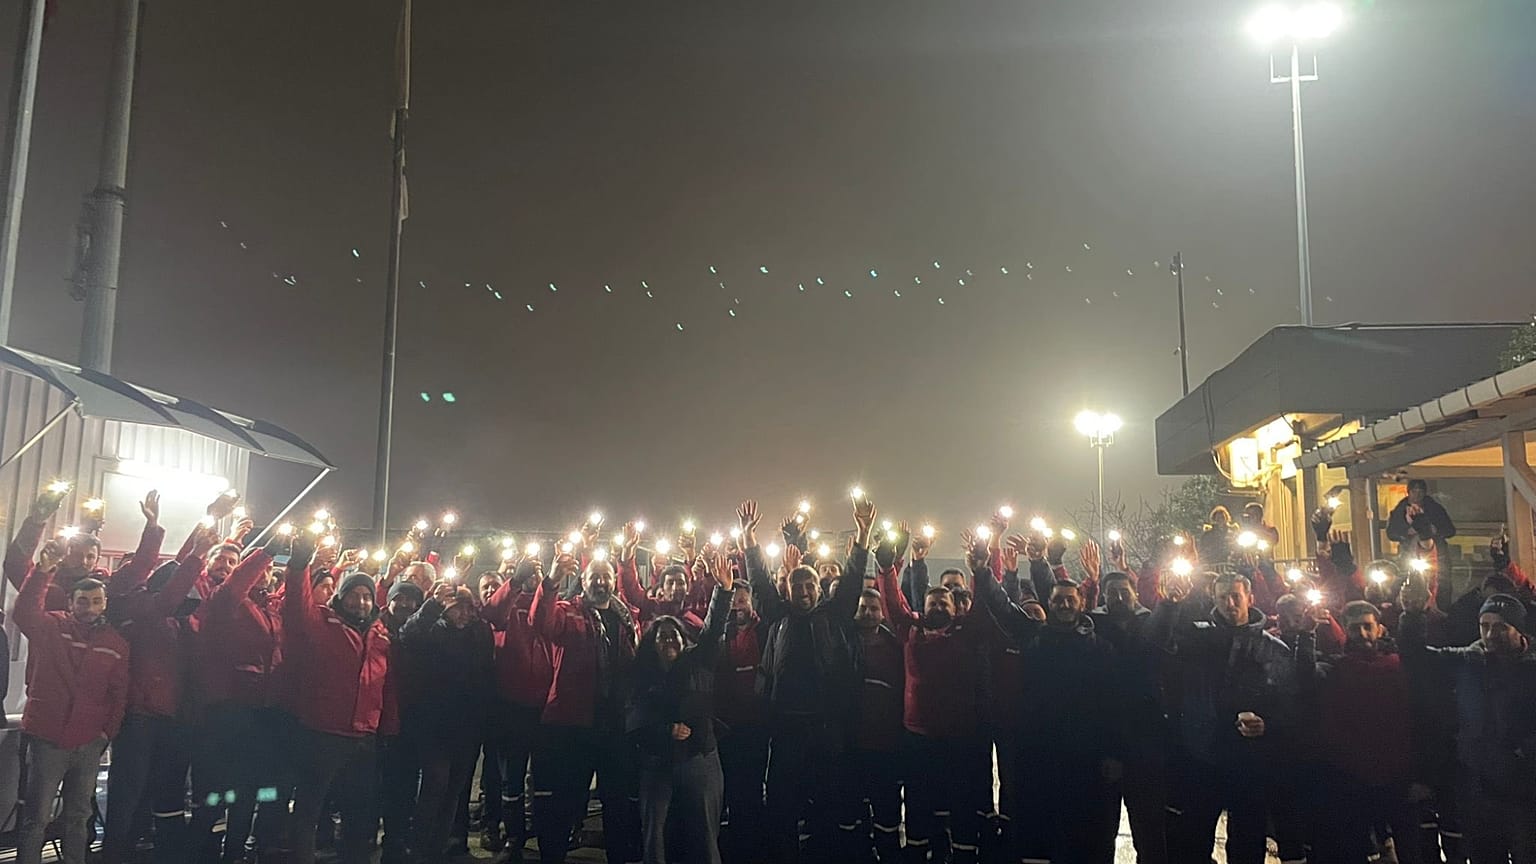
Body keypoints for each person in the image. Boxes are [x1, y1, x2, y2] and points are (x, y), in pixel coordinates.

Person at [971, 533, 1120, 864]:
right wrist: (983, 571)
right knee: (1038, 825)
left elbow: (1112, 706)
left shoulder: (1100, 647)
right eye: (1058, 600)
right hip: (1038, 749)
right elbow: (1001, 605)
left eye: (1070, 600)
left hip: (1085, 753)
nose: (1064, 604)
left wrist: (1111, 752)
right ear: (1049, 605)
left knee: (1082, 827)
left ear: (1081, 604)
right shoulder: (1033, 637)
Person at [743, 497, 867, 864]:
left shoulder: (835, 615)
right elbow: (760, 582)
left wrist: (863, 534)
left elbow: (854, 578)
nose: (804, 592)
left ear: (818, 589)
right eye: (797, 587)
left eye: (810, 586)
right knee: (781, 804)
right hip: (785, 728)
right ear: (789, 591)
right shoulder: (777, 616)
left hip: (825, 728)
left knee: (827, 802)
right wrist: (749, 540)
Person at [1149, 570, 1299, 864]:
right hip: (1201, 754)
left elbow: (1290, 703)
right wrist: (1169, 605)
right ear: (1213, 600)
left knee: (1248, 840)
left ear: (1249, 598)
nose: (1230, 603)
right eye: (1222, 597)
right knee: (1192, 840)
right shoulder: (1195, 638)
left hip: (1250, 761)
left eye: (1236, 596)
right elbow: (1156, 645)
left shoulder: (1272, 648)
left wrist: (1267, 723)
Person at [12, 542, 129, 864]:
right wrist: (43, 571)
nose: (89, 606)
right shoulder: (51, 626)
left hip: (89, 742)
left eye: (96, 601)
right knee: (37, 816)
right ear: (71, 601)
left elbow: (118, 693)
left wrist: (106, 733)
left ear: (105, 603)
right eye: (83, 600)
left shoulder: (115, 643)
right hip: (48, 739)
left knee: (79, 816)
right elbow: (23, 612)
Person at [875, 524, 985, 864]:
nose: (938, 606)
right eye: (932, 602)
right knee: (919, 799)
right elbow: (894, 602)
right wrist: (887, 567)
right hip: (918, 735)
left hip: (960, 735)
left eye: (944, 602)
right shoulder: (912, 631)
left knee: (962, 800)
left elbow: (985, 604)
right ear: (923, 607)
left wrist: (981, 567)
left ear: (955, 608)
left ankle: (964, 852)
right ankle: (919, 850)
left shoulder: (967, 633)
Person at [1400, 593, 1536, 862]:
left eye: (1500, 626)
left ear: (1518, 629)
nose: (1490, 634)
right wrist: (1414, 616)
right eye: (1484, 626)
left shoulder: (1531, 668)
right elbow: (1417, 658)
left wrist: (1523, 752)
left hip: (1524, 791)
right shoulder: (1469, 661)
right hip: (1477, 788)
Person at [282, 535, 393, 864]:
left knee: (359, 811)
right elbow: (295, 605)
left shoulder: (380, 635)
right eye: (354, 596)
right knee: (310, 808)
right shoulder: (321, 623)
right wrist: (301, 564)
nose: (361, 602)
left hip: (363, 737)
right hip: (324, 733)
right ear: (341, 599)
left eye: (366, 597)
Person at [529, 544, 642, 864]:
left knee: (616, 800)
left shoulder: (628, 618)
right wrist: (551, 580)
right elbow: (541, 621)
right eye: (595, 577)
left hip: (615, 725)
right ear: (584, 579)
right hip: (573, 723)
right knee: (566, 798)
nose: (601, 583)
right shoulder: (567, 611)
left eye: (606, 577)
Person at [628, 549, 734, 864]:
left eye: (675, 635)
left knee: (704, 833)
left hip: (700, 759)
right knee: (656, 835)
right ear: (652, 642)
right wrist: (665, 731)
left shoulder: (698, 663)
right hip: (657, 764)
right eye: (662, 637)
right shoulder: (641, 674)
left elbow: (714, 630)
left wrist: (723, 591)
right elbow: (634, 716)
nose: (670, 641)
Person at [1302, 601, 1421, 864]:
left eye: (1368, 627)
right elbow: (1306, 676)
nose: (1363, 634)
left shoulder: (1398, 666)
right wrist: (1306, 634)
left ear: (1379, 629)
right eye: (1355, 629)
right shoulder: (1334, 668)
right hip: (1351, 776)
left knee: (1411, 848)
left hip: (1397, 775)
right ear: (1345, 631)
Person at [400, 581, 495, 863]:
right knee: (435, 785)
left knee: (454, 789)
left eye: (468, 608)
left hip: (467, 725)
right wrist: (433, 604)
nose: (463, 614)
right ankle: (419, 848)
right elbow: (409, 635)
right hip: (435, 723)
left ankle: (437, 849)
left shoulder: (480, 632)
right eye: (457, 608)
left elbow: (486, 673)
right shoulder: (433, 630)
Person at [1087, 565, 1169, 864]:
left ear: (1136, 594)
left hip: (1146, 746)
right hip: (1104, 744)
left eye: (1125, 592)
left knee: (1149, 831)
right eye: (1112, 594)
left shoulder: (1152, 624)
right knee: (1100, 831)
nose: (1119, 598)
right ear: (1104, 598)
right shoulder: (1092, 628)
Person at [479, 555, 555, 857]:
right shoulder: (508, 607)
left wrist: (550, 584)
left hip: (547, 706)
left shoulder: (550, 605)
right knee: (511, 776)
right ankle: (514, 837)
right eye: (530, 574)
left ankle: (547, 833)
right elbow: (492, 612)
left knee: (545, 776)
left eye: (538, 574)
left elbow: (549, 619)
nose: (534, 578)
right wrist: (512, 582)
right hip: (511, 706)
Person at [836, 587, 904, 863]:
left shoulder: (895, 647)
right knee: (851, 807)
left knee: (886, 808)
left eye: (874, 608)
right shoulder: (841, 643)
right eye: (863, 607)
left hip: (885, 744)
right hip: (850, 744)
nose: (868, 613)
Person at [715, 577, 770, 864]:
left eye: (743, 599)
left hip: (754, 725)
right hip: (724, 726)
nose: (738, 605)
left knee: (748, 790)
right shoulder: (719, 634)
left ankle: (748, 847)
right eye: (733, 600)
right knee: (724, 788)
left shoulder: (764, 629)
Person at [377, 580, 425, 864]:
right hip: (378, 718)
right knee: (377, 784)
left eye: (412, 600)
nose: (405, 605)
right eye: (400, 599)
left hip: (411, 718)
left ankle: (395, 840)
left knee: (405, 784)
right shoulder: (377, 628)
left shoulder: (423, 631)